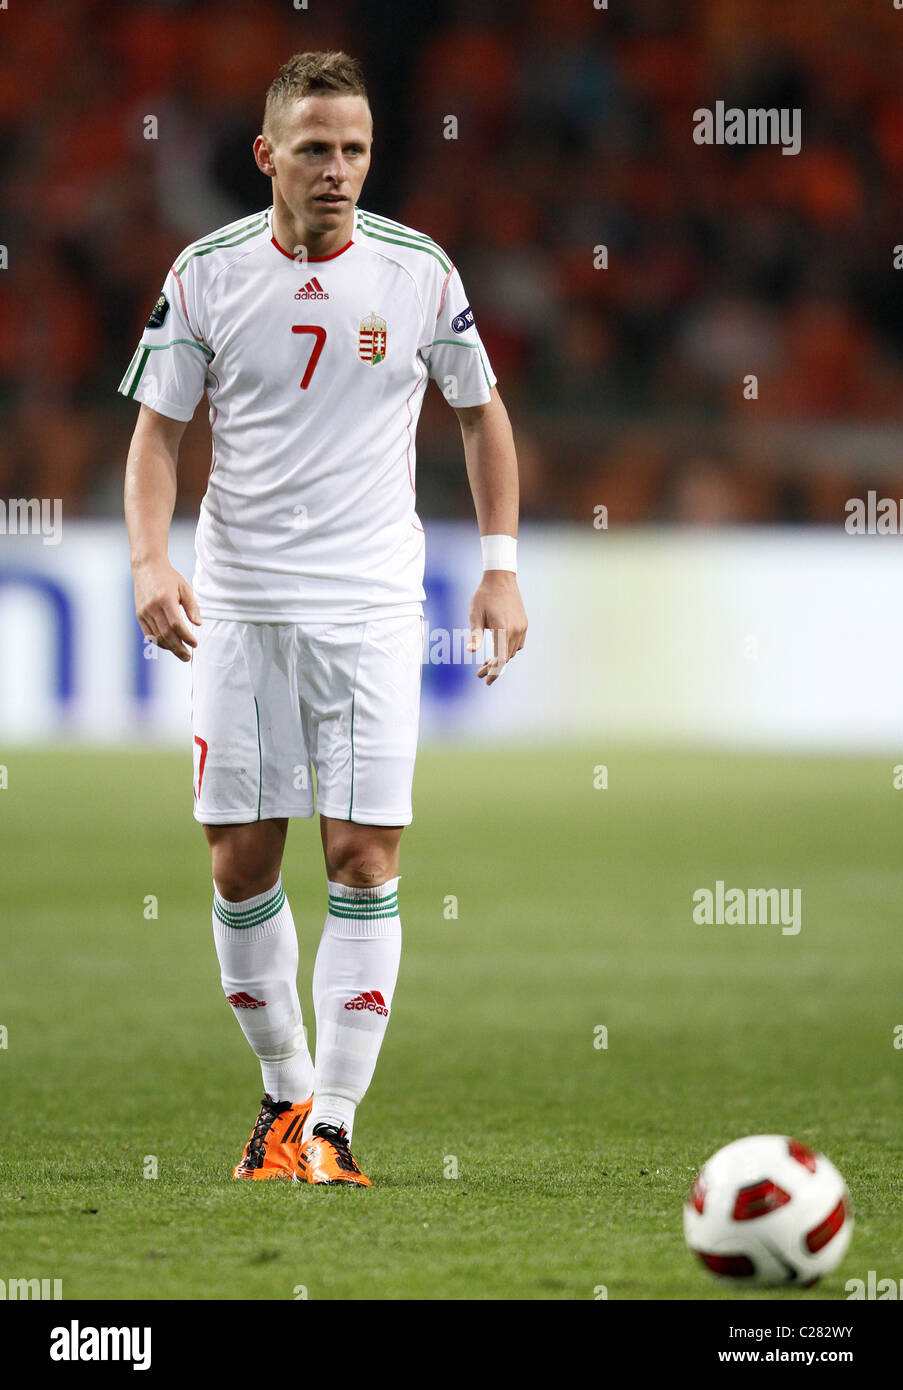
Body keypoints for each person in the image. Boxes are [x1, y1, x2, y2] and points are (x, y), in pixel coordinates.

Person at [120, 50, 527, 1186]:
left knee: (363, 853)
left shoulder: (418, 273)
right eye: (313, 149)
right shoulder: (205, 276)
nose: (338, 170)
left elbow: (481, 416)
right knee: (243, 867)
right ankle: (285, 1094)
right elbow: (155, 436)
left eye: (353, 149)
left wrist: (499, 564)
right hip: (242, 603)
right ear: (267, 158)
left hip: (372, 605)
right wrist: (150, 558)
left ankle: (335, 1121)